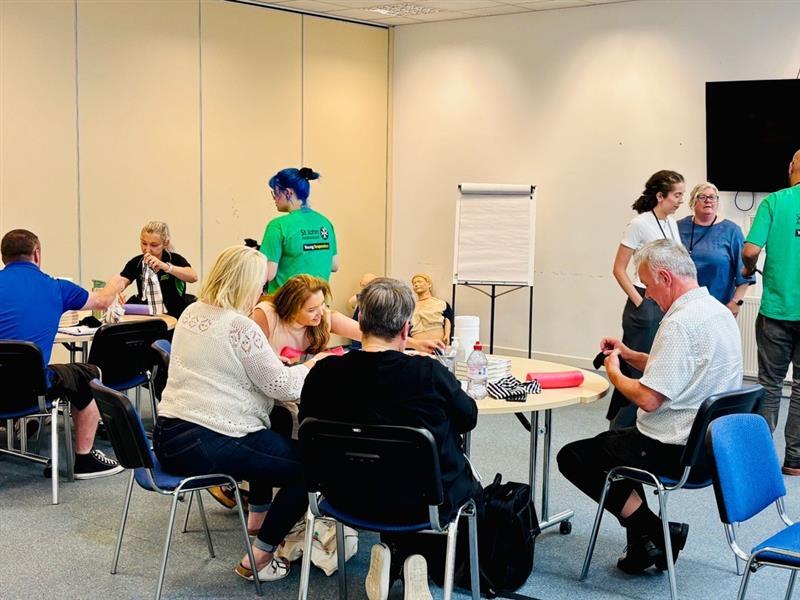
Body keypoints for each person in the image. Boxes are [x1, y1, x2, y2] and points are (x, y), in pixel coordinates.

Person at [558, 239, 743, 574]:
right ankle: (644, 549)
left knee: (575, 457)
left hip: (674, 450)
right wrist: (629, 355)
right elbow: (675, 370)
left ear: (665, 278)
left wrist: (615, 372)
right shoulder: (718, 312)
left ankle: (659, 532)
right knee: (619, 445)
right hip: (712, 449)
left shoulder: (679, 324)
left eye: (647, 283)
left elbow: (648, 398)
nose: (647, 294)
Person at [153, 246, 328, 583]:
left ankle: (258, 518)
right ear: (246, 284)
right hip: (208, 441)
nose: (263, 293)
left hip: (170, 435)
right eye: (261, 286)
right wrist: (312, 366)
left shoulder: (191, 312)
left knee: (274, 422)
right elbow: (281, 385)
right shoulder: (240, 327)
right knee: (311, 470)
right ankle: (258, 559)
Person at [300, 277, 482, 600]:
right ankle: (415, 562)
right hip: (424, 504)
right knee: (458, 483)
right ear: (405, 330)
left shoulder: (323, 373)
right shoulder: (429, 375)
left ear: (360, 321)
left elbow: (307, 429)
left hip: (343, 498)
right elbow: (469, 417)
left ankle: (396, 556)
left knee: (386, 472)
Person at [0, 229, 124, 479]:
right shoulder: (56, 287)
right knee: (89, 373)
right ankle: (85, 460)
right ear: (37, 255)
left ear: (4, 258)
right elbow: (101, 301)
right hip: (32, 390)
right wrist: (117, 282)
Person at [609, 170, 685, 430]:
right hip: (644, 301)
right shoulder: (639, 224)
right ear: (660, 196)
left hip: (664, 301)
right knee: (639, 374)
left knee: (657, 369)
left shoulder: (671, 223)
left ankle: (641, 429)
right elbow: (619, 269)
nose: (680, 200)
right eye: (677, 195)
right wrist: (640, 302)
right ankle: (619, 430)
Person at [742, 149, 800, 475]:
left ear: (791, 167)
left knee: (770, 385)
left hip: (776, 311)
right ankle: (795, 461)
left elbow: (749, 250)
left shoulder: (774, 202)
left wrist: (750, 267)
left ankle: (761, 460)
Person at [252, 274, 445, 364]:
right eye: (311, 309)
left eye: (323, 305)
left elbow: (373, 332)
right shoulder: (266, 314)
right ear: (290, 308)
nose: (321, 313)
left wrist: (416, 344)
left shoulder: (324, 317)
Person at [260, 167, 338, 294]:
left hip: (286, 308)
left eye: (276, 192)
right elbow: (334, 265)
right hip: (319, 308)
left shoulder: (278, 226)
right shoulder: (325, 223)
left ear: (288, 193)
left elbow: (268, 274)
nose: (274, 198)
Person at [677, 182, 752, 311]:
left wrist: (736, 302)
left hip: (719, 306)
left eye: (712, 197)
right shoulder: (678, 227)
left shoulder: (732, 231)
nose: (708, 201)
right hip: (683, 305)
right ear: (693, 202)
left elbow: (745, 272)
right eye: (702, 197)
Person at [107, 221, 198, 318]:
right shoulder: (137, 262)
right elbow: (122, 281)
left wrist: (167, 267)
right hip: (146, 313)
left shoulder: (174, 259)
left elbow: (193, 277)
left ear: (165, 243)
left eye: (154, 245)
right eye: (144, 243)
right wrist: (117, 292)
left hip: (174, 313)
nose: (147, 249)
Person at [410, 273, 453, 345]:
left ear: (429, 284)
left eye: (419, 282)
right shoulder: (411, 307)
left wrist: (447, 335)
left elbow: (448, 319)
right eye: (414, 283)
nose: (416, 284)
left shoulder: (440, 303)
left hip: (438, 347)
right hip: (416, 349)